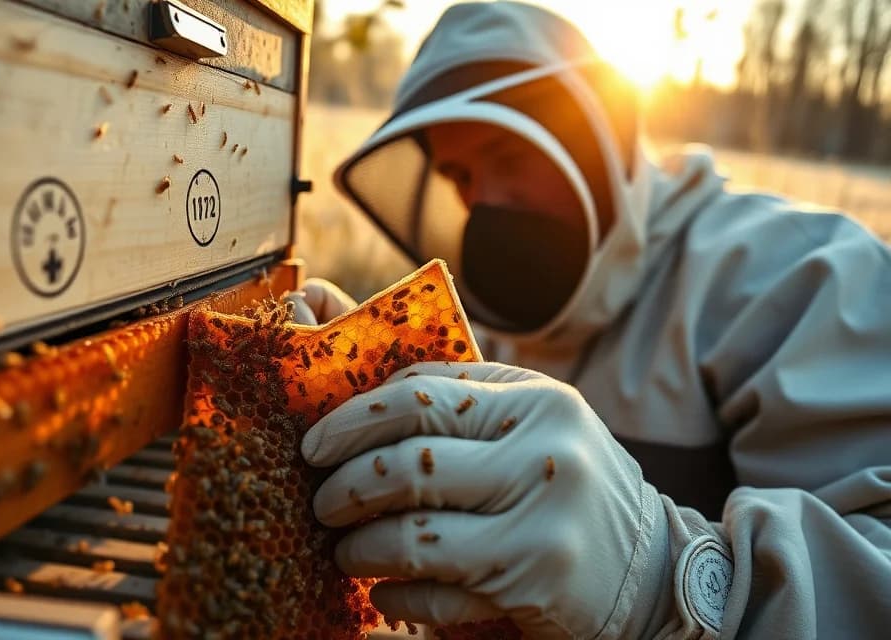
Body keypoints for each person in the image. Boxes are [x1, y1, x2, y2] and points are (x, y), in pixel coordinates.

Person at [286, 2, 891, 638]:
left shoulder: (803, 276)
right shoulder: (489, 330)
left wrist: (661, 577)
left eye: (509, 156)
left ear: (597, 141)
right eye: (460, 176)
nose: (485, 203)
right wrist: (367, 388)